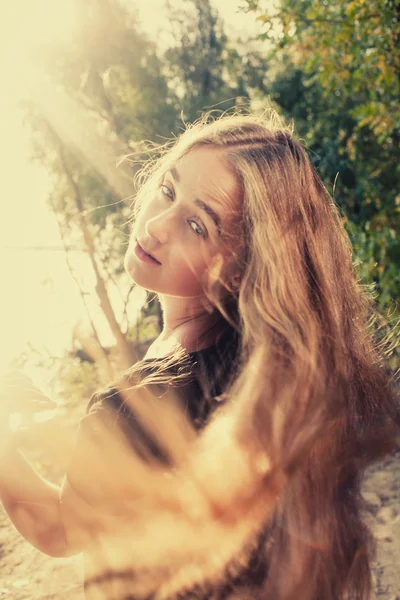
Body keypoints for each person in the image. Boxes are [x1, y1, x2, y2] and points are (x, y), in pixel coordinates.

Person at [0, 109, 399, 600]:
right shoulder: (270, 381)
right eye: (168, 190)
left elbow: (58, 530)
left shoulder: (134, 409)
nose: (159, 226)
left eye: (197, 225)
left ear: (241, 269)